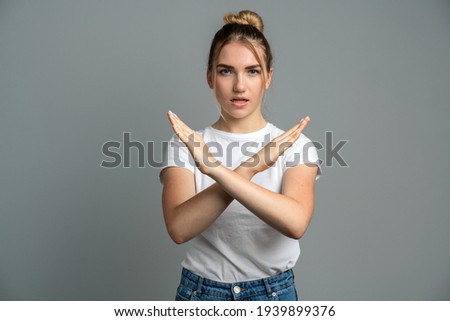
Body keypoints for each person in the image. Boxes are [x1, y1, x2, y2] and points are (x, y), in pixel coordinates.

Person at [160, 10, 321, 301]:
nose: (239, 86)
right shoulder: (186, 143)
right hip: (201, 294)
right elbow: (179, 228)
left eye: (252, 71)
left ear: (268, 77)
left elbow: (296, 223)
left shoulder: (295, 144)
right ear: (210, 77)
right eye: (225, 71)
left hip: (273, 296)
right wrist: (250, 167)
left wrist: (218, 170)